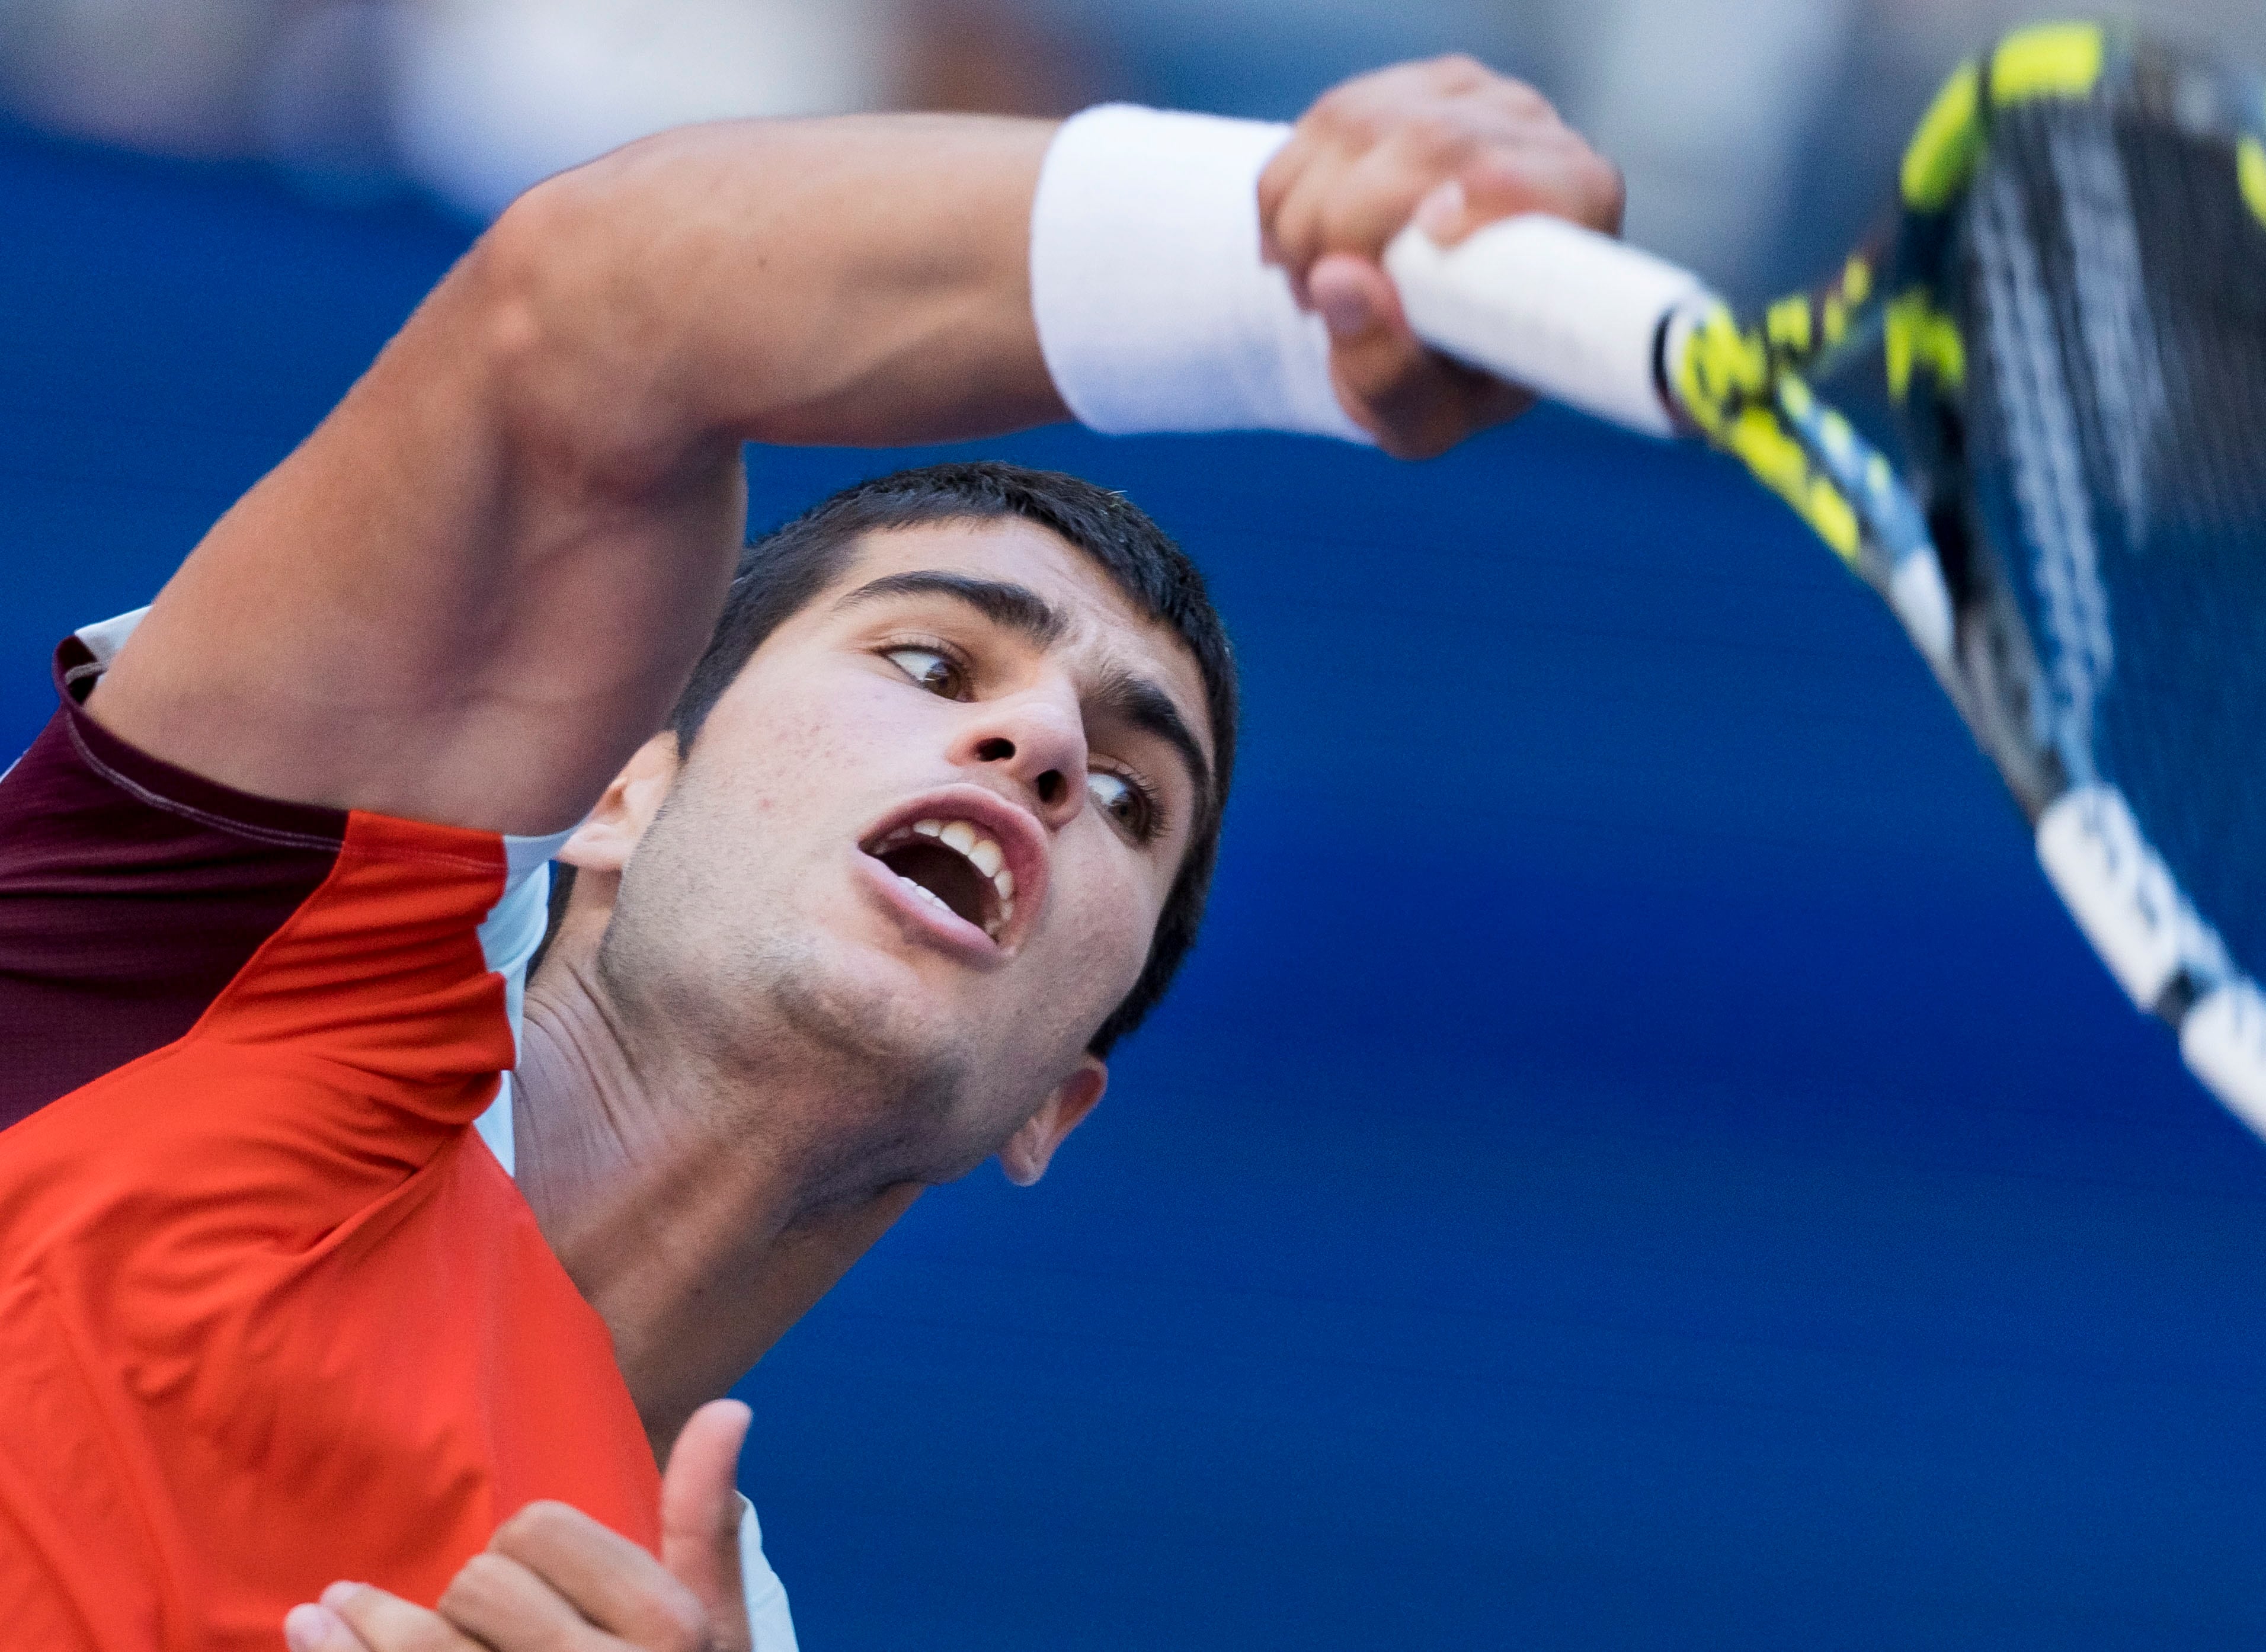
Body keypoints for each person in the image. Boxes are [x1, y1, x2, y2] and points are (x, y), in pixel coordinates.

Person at [0, 56, 1620, 1652]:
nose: (1046, 745)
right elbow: (604, 310)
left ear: (1056, 1101)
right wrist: (1271, 247)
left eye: (1131, 795)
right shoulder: (237, 951)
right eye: (930, 665)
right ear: (620, 794)